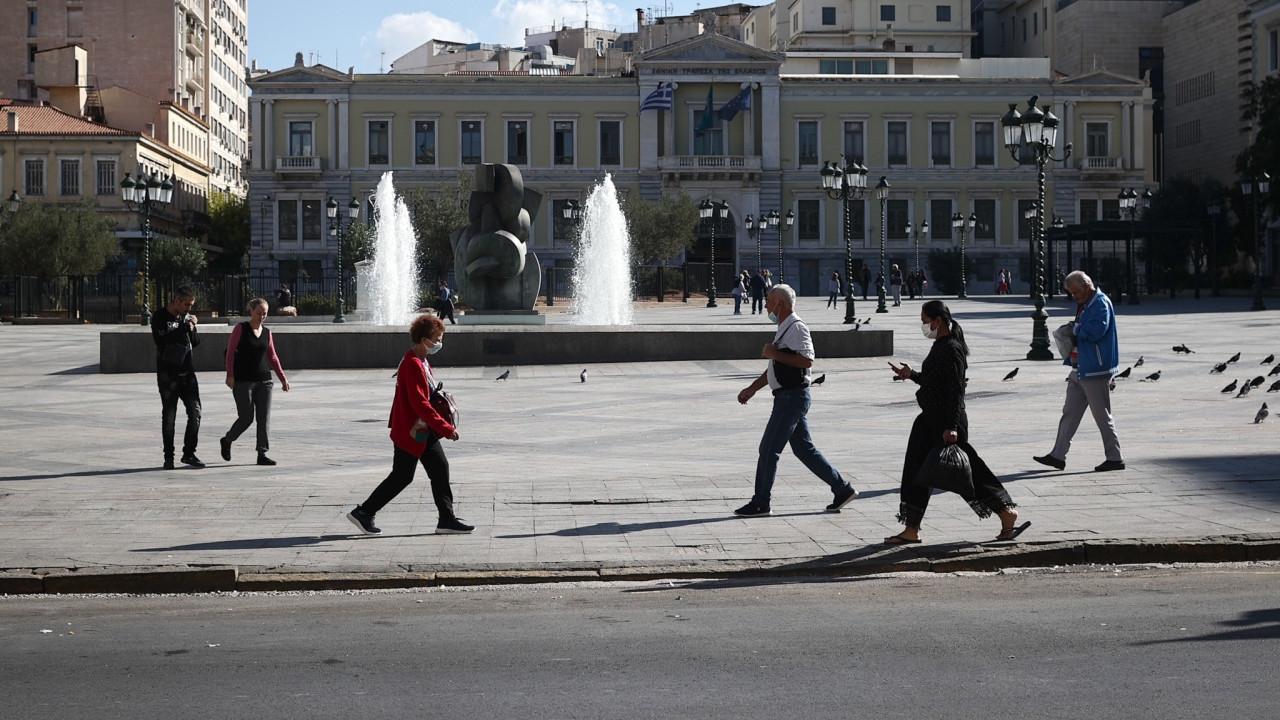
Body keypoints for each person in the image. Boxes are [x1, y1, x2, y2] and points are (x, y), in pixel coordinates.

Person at [885, 300, 1028, 544]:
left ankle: (1006, 512)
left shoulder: (951, 348)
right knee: (919, 472)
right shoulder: (941, 344)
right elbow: (936, 382)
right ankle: (912, 528)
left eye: (924, 321)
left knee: (967, 473)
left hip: (944, 421)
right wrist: (913, 376)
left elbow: (955, 390)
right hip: (931, 420)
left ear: (937, 321)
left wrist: (950, 426)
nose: (924, 326)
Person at [733, 284, 857, 517]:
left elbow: (807, 361)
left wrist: (773, 353)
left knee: (769, 449)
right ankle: (842, 489)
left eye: (769, 302)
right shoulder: (785, 327)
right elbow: (776, 366)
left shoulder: (797, 327)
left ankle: (761, 502)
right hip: (788, 396)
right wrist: (752, 388)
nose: (767, 307)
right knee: (804, 450)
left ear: (780, 303)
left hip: (792, 397)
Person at [347, 314, 473, 536]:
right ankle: (364, 512)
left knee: (437, 470)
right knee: (403, 476)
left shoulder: (420, 360)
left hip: (420, 431)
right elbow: (420, 404)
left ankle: (446, 519)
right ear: (424, 338)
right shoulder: (414, 363)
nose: (439, 343)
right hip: (412, 431)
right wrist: (446, 428)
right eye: (437, 338)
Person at [1034, 270, 1125, 472]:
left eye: (1075, 292)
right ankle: (1057, 455)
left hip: (1095, 369)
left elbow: (1096, 331)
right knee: (1070, 413)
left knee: (1102, 415)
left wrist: (1074, 328)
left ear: (1086, 286)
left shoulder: (1100, 303)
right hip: (1080, 367)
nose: (1074, 297)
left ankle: (1115, 458)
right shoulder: (1086, 303)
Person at [220, 298, 290, 466]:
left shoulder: (267, 332)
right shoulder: (241, 329)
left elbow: (272, 357)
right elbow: (230, 353)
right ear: (251, 311)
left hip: (264, 380)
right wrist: (230, 375)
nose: (261, 316)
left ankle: (262, 453)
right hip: (243, 381)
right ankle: (227, 440)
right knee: (246, 418)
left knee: (263, 418)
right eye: (258, 313)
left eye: (264, 313)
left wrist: (282, 378)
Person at [152, 286, 203, 469]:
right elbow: (161, 341)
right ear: (176, 301)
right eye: (186, 304)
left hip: (188, 374)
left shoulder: (186, 318)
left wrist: (192, 326)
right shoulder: (160, 317)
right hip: (168, 375)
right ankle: (169, 457)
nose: (189, 308)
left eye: (191, 305)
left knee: (195, 412)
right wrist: (183, 327)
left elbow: (195, 343)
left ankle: (189, 453)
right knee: (169, 416)